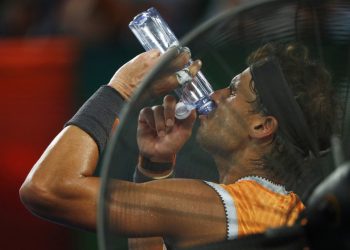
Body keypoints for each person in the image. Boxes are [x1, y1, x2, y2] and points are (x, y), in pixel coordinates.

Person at [19, 43, 336, 249]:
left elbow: (48, 189)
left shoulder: (233, 209)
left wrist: (119, 91)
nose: (216, 94)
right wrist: (154, 167)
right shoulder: (273, 211)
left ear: (262, 126)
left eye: (235, 91)